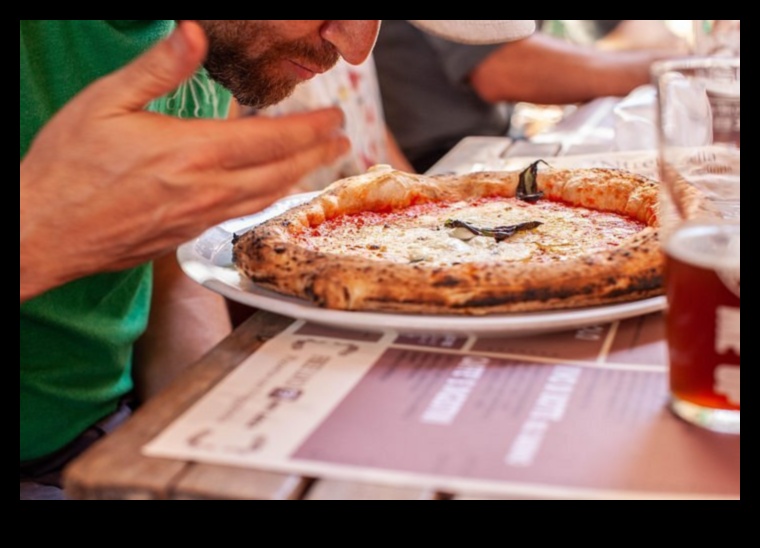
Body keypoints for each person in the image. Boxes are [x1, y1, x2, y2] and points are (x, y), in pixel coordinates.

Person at [20, 20, 536, 499]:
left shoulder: (215, 43)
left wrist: (219, 439)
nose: (355, 50)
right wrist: (40, 238)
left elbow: (173, 270)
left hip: (105, 436)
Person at [373, 20, 687, 173]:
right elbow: (505, 69)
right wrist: (685, 67)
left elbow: (643, 31)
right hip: (438, 159)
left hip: (500, 142)